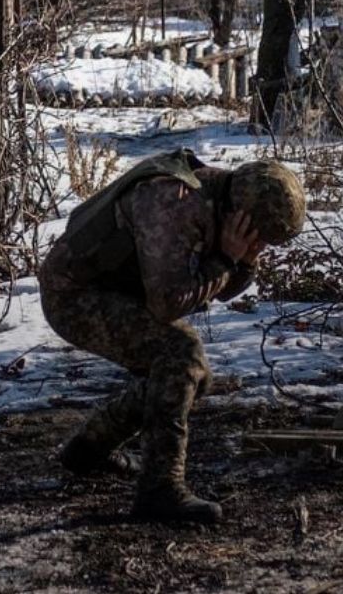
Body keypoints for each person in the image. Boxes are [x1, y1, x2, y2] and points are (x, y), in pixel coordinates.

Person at [39, 149, 305, 524]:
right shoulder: (175, 202)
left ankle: (90, 448)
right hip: (71, 296)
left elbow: (221, 289)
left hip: (114, 291)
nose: (259, 245)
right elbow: (168, 304)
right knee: (182, 354)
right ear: (243, 216)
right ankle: (160, 489)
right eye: (258, 237)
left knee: (193, 375)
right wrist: (227, 259)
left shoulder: (226, 198)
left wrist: (241, 261)